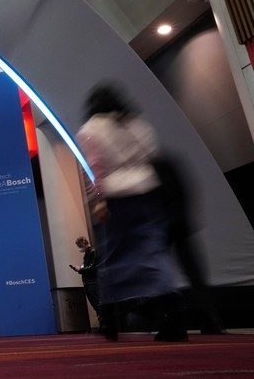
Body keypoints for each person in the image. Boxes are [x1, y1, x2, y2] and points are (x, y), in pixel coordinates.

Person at [76, 82, 187, 342]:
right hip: (147, 194)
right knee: (153, 253)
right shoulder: (139, 125)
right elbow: (153, 156)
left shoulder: (90, 129)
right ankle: (176, 317)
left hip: (116, 198)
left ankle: (110, 321)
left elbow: (94, 168)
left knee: (113, 257)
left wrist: (98, 200)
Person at [69, 236, 101, 323]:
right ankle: (102, 321)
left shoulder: (92, 251)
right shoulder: (87, 252)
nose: (79, 249)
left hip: (92, 281)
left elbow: (92, 267)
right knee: (94, 303)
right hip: (88, 281)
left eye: (80, 246)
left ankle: (104, 322)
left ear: (84, 244)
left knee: (96, 303)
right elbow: (86, 266)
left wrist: (81, 269)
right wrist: (80, 269)